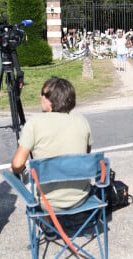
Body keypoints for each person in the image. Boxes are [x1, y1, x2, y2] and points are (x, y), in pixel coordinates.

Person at [11, 77, 93, 210]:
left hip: (47, 203)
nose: (40, 97)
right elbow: (86, 153)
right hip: (81, 197)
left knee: (17, 175)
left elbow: (18, 164)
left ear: (51, 100)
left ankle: (48, 224)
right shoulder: (82, 120)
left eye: (43, 94)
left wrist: (13, 170)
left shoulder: (34, 123)